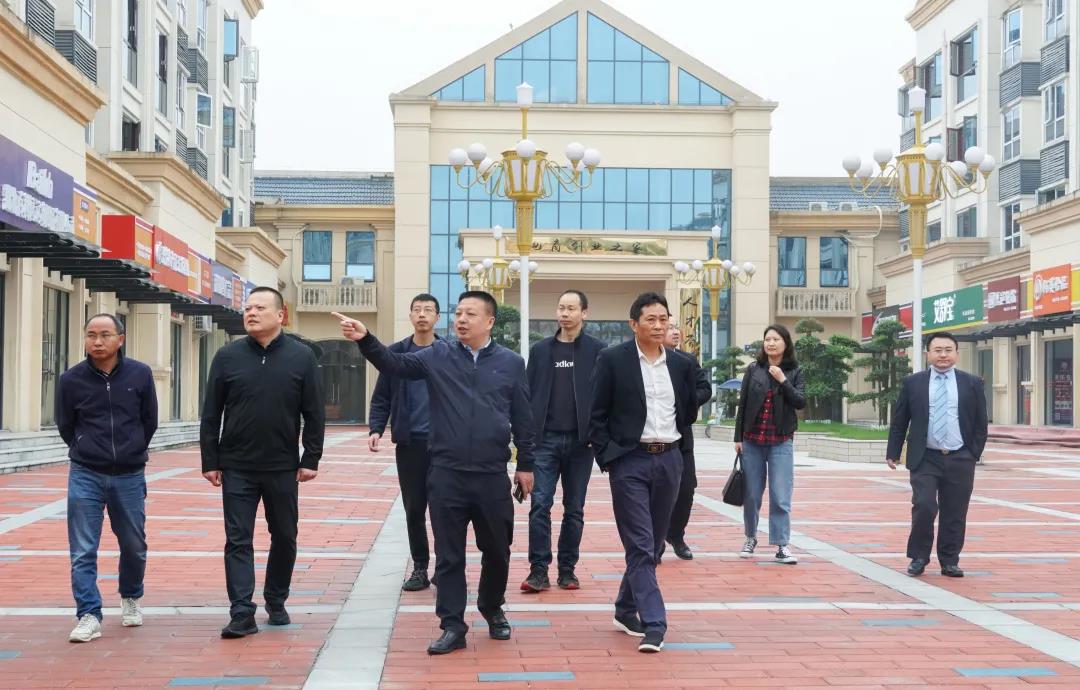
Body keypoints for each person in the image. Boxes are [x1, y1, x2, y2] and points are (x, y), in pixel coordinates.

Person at [334, 290, 535, 656]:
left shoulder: (510, 362)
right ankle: (452, 625)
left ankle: (492, 607)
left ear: (489, 321)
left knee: (497, 550)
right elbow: (395, 365)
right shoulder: (438, 355)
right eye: (458, 313)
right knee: (449, 555)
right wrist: (365, 339)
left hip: (491, 473)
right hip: (446, 472)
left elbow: (522, 414)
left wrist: (526, 464)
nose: (461, 320)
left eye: (470, 314)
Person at [201, 287, 325, 639]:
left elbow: (314, 412)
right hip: (236, 465)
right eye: (247, 308)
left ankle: (276, 599)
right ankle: (242, 612)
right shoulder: (227, 356)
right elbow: (211, 412)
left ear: (280, 314)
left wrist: (311, 457)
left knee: (285, 535)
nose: (251, 313)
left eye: (259, 308)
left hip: (282, 466)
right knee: (237, 539)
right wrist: (210, 459)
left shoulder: (301, 357)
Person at [590, 292, 701, 654]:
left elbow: (688, 409)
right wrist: (610, 457)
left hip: (669, 459)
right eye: (650, 319)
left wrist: (679, 454)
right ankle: (654, 623)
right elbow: (596, 413)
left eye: (663, 319)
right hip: (630, 461)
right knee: (639, 543)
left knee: (652, 545)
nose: (658, 325)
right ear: (633, 324)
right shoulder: (613, 360)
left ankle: (625, 610)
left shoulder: (681, 364)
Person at [56, 313, 158, 643]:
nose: (97, 341)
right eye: (91, 335)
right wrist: (85, 447)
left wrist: (133, 449)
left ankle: (131, 596)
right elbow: (65, 425)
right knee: (83, 549)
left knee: (134, 545)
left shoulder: (140, 374)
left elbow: (150, 420)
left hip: (129, 474)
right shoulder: (71, 379)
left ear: (120, 339)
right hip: (85, 472)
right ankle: (89, 614)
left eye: (104, 335)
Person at [521, 289, 605, 593]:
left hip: (582, 445)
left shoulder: (598, 351)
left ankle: (567, 570)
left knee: (575, 508)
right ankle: (538, 570)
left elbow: (606, 395)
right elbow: (527, 393)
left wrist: (598, 433)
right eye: (561, 308)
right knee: (540, 505)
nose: (564, 313)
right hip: (545, 441)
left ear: (584, 313)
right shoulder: (541, 350)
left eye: (571, 308)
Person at [886, 332, 988, 578]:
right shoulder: (913, 383)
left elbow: (980, 422)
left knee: (955, 511)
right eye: (938, 350)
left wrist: (973, 453)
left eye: (948, 350)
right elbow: (900, 420)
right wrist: (893, 452)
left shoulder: (972, 383)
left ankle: (950, 560)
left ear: (957, 353)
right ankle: (919, 557)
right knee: (924, 505)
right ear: (927, 353)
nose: (943, 355)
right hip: (925, 457)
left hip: (960, 456)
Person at [368, 293, 441, 592]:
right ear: (410, 316)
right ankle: (420, 567)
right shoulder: (395, 353)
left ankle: (445, 567)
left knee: (444, 508)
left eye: (428, 310)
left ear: (437, 317)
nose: (422, 314)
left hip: (443, 445)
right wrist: (376, 428)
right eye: (417, 310)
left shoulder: (448, 352)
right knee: (414, 508)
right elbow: (382, 396)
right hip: (410, 445)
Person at [733, 324, 806, 564]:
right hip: (752, 441)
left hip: (780, 442)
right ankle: (750, 537)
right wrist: (738, 437)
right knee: (752, 494)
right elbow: (743, 404)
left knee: (780, 495)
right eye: (767, 339)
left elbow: (800, 401)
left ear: (786, 343)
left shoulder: (795, 371)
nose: (771, 343)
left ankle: (782, 545)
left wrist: (783, 380)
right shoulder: (754, 369)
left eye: (775, 339)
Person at [659, 323, 712, 562]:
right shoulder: (642, 361)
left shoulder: (687, 361)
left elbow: (704, 389)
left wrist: (686, 403)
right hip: (651, 438)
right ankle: (656, 540)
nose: (674, 332)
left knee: (686, 487)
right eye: (669, 327)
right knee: (656, 491)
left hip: (681, 438)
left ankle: (676, 534)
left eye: (676, 327)